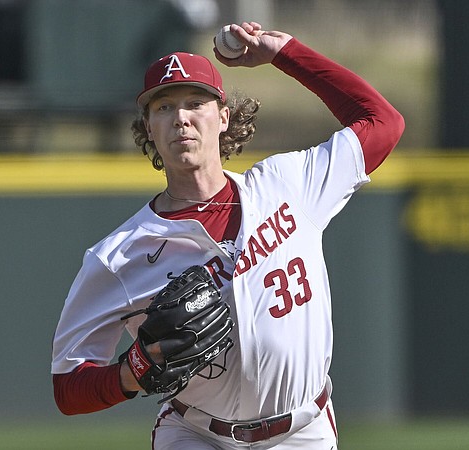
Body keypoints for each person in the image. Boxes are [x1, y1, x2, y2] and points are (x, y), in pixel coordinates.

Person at [51, 21, 404, 449]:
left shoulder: (289, 185)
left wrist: (284, 53)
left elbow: (382, 121)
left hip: (303, 432)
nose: (181, 118)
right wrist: (132, 372)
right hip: (196, 434)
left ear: (222, 118)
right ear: (148, 128)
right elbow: (68, 389)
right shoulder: (119, 256)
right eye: (163, 108)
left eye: (194, 103)